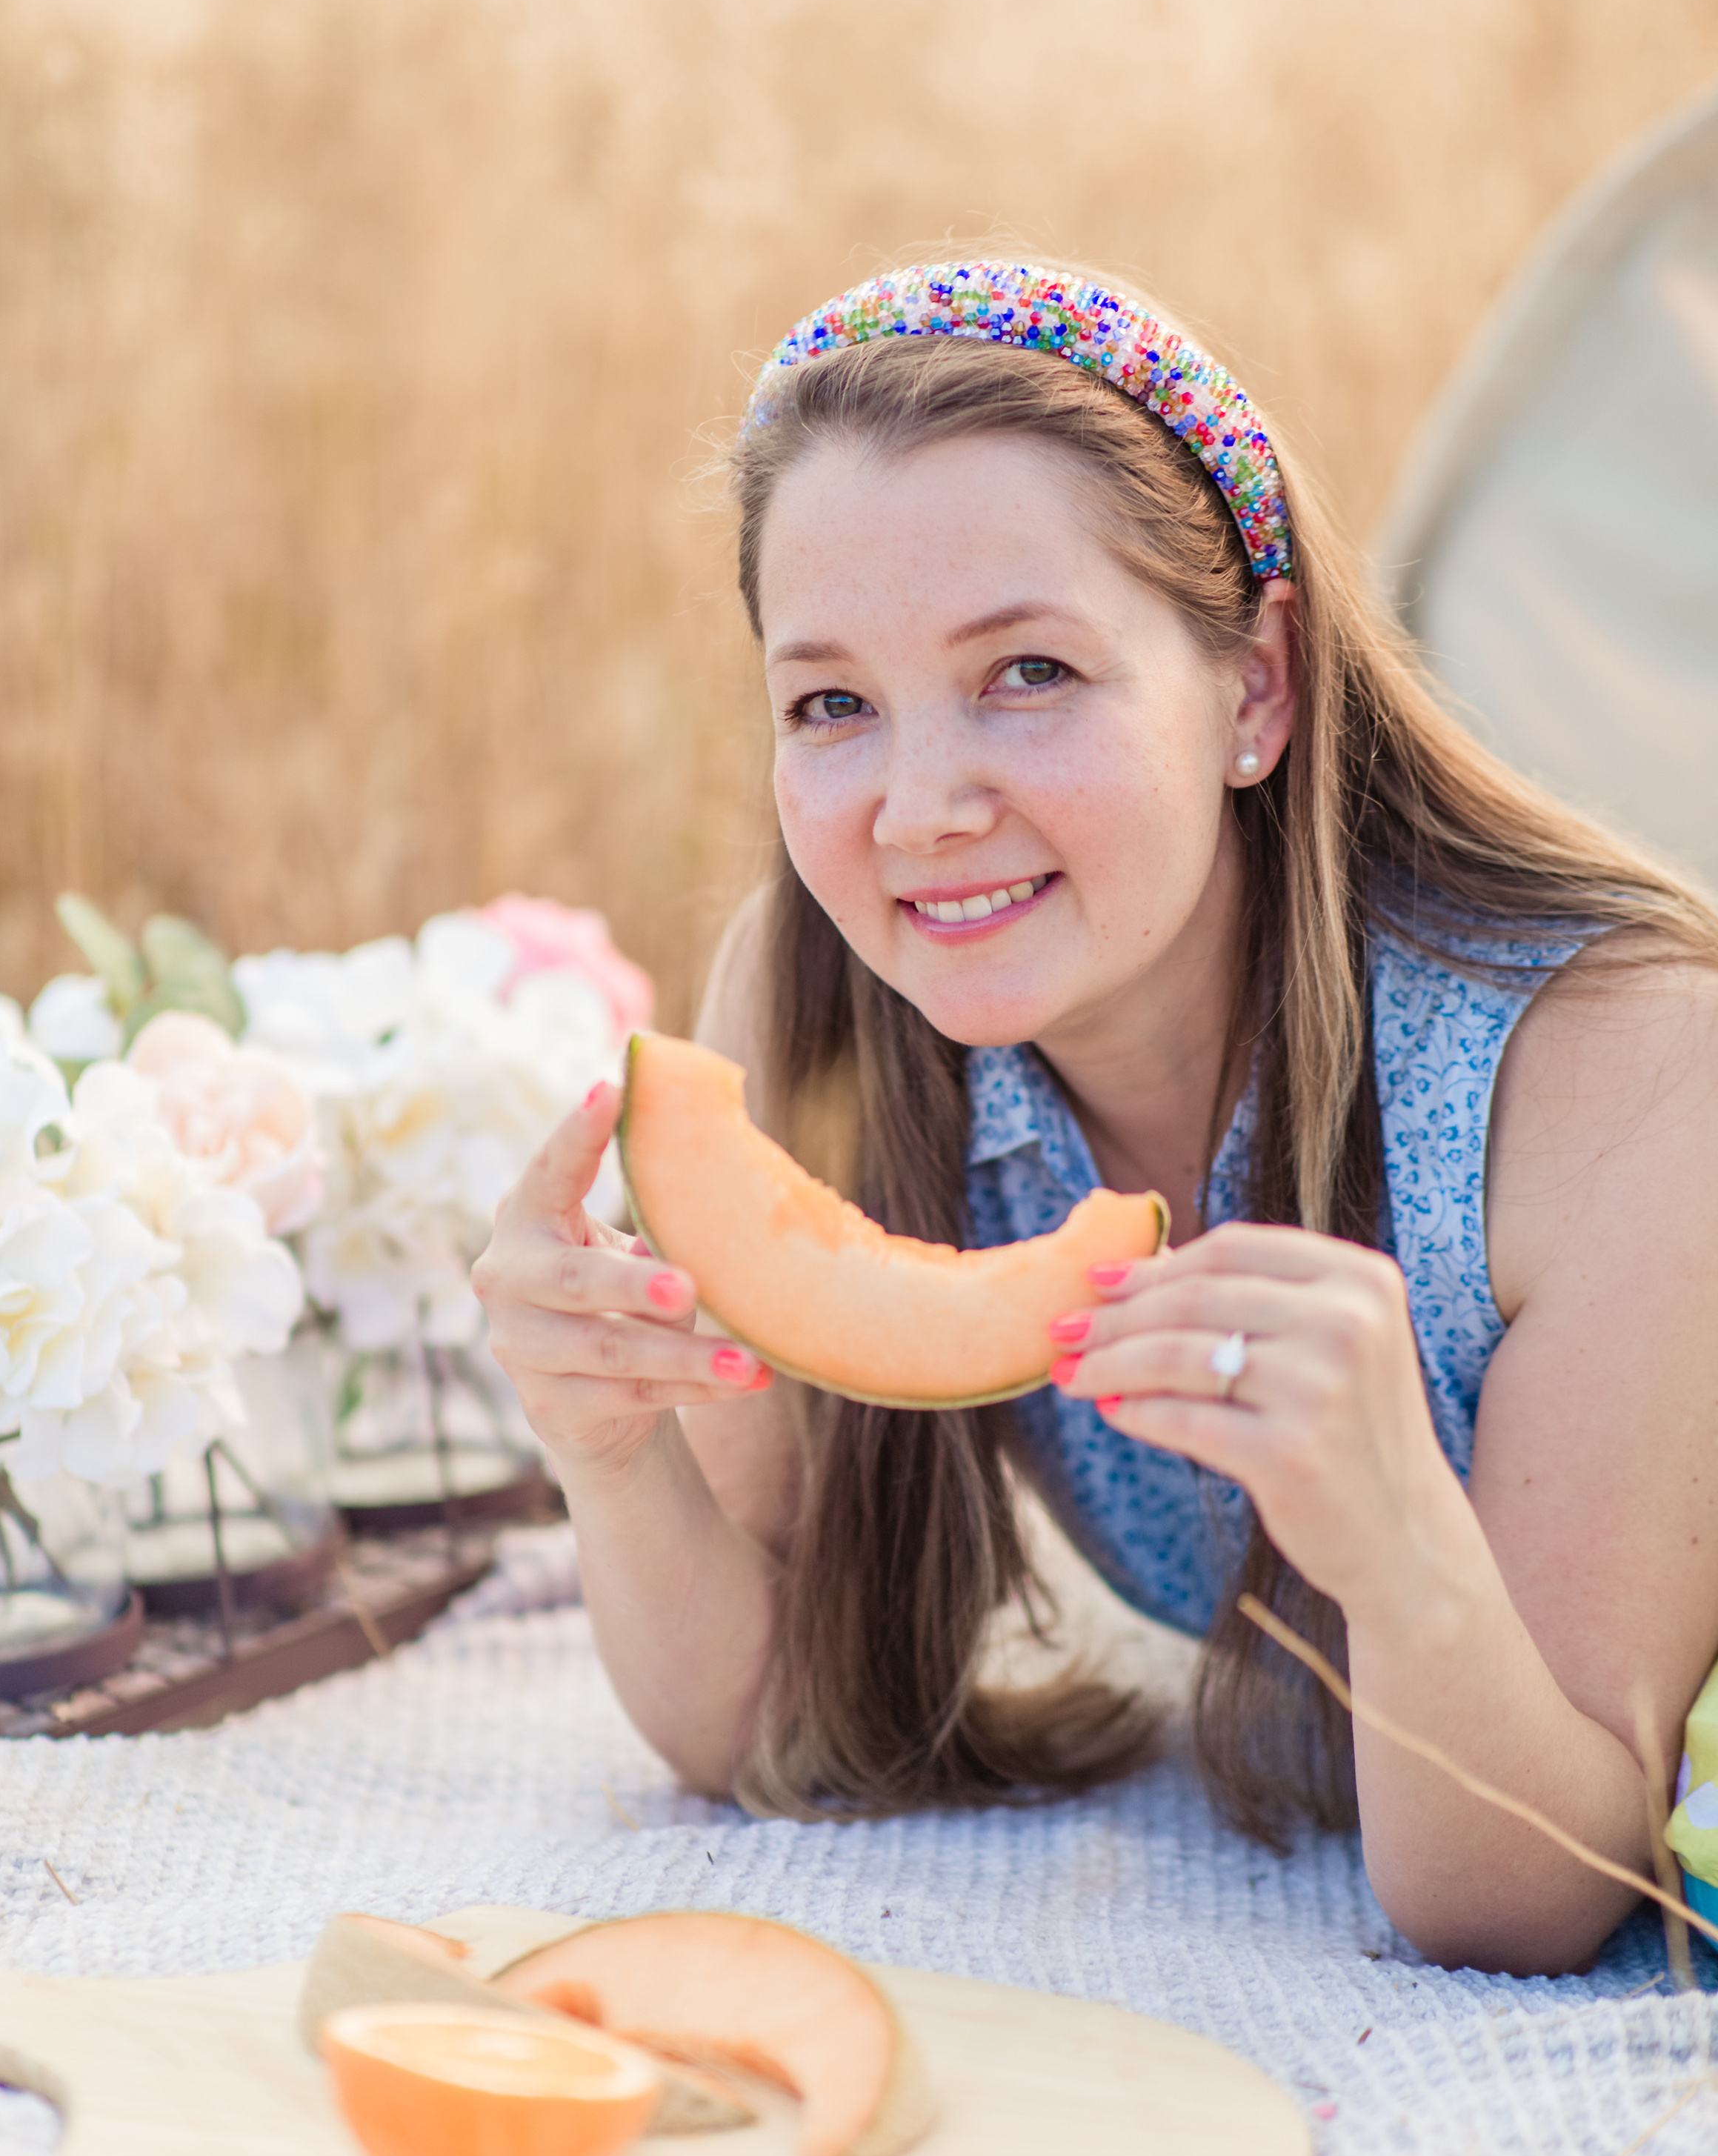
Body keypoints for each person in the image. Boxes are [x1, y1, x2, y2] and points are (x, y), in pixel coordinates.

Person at [474, 261, 1718, 1978]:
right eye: (829, 703)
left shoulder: (1626, 1070)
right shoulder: (821, 997)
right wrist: (610, 1457)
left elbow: (1534, 1898)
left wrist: (1398, 1549)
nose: (917, 810)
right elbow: (760, 1728)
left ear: (1253, 690)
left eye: (1029, 673)